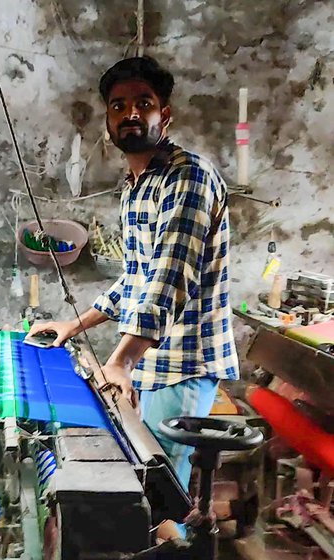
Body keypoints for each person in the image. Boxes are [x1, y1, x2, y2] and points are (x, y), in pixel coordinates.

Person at [29, 56, 238, 490]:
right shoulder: (134, 188)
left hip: (184, 362)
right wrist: (74, 324)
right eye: (119, 107)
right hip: (152, 356)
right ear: (108, 121)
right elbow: (136, 279)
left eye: (143, 103)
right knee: (148, 479)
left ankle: (176, 548)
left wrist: (120, 361)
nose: (131, 114)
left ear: (165, 114)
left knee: (161, 488)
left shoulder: (188, 179)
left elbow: (167, 281)